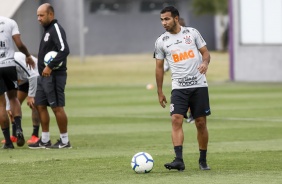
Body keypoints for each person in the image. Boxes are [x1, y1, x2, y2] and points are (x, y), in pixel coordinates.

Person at [154, 6, 211, 171]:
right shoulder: (161, 41)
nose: (164, 23)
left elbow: (206, 53)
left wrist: (205, 62)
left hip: (199, 85)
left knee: (200, 123)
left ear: (176, 18)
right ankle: (179, 160)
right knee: (176, 119)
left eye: (167, 19)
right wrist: (159, 91)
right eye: (162, 20)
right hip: (178, 88)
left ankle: (203, 160)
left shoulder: (192, 33)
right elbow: (159, 68)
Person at [28, 3, 71, 149]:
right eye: (37, 16)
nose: (39, 19)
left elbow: (64, 50)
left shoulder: (56, 29)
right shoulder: (47, 30)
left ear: (51, 15)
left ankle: (65, 141)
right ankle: (45, 140)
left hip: (54, 76)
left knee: (57, 107)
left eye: (42, 15)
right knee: (40, 105)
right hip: (42, 76)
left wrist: (49, 66)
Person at [0, 16, 35, 149]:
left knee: (1, 105)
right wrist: (27, 55)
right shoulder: (10, 22)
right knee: (13, 98)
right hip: (9, 65)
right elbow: (19, 44)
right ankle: (19, 129)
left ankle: (8, 142)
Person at [1, 52, 40, 145]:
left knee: (34, 105)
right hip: (23, 80)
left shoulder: (16, 59)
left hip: (36, 76)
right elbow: (8, 89)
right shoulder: (3, 64)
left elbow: (33, 75)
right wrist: (8, 107)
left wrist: (31, 95)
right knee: (14, 105)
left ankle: (35, 136)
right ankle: (15, 135)